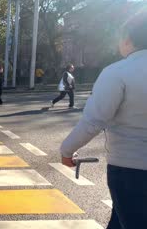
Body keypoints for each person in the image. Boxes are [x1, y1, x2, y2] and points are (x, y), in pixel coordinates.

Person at [60, 11, 147, 229]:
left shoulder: (118, 72)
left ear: (127, 40)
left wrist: (66, 151)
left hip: (131, 170)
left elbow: (94, 121)